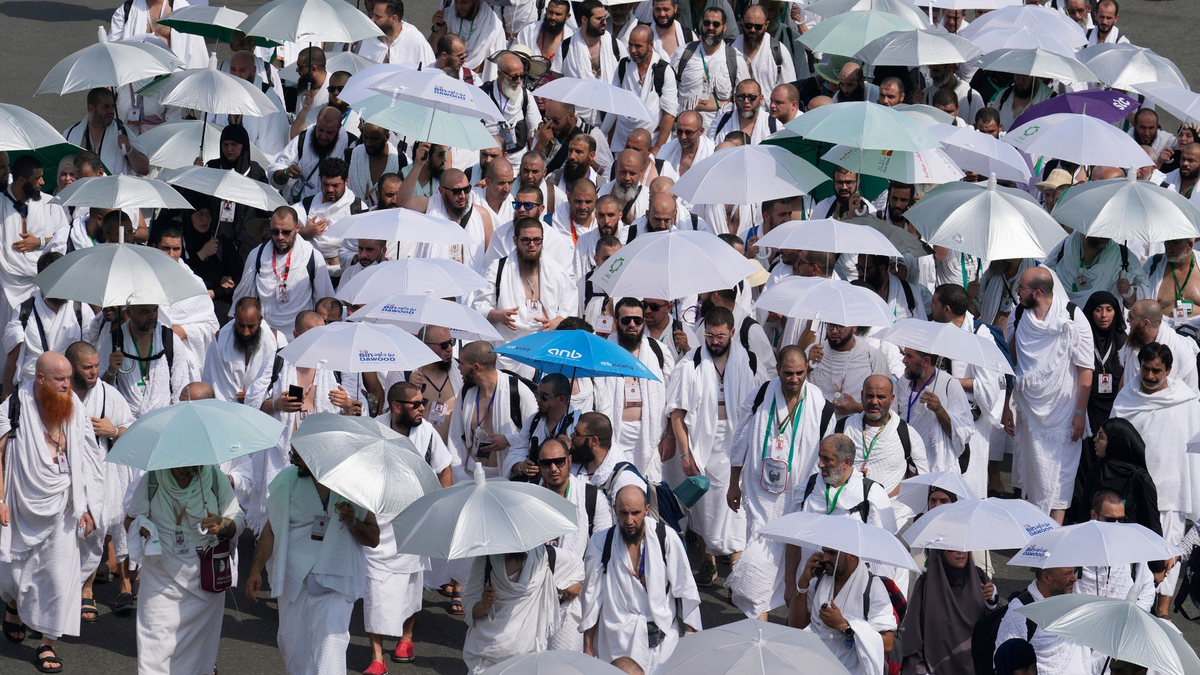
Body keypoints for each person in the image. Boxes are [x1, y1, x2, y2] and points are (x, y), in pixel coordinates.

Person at [0, 353, 103, 673]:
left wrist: (88, 505)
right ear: (40, 378)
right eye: (60, 379)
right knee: (12, 576)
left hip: (64, 504)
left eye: (69, 378)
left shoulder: (75, 405)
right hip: (19, 501)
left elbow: (89, 459)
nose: (66, 384)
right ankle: (14, 604)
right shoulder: (14, 405)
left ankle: (47, 642)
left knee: (60, 576)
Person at [244, 449, 381, 675]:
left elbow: (373, 538)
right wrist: (255, 571)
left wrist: (353, 522)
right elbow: (271, 530)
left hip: (336, 582)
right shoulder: (288, 480)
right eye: (293, 454)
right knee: (294, 650)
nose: (293, 460)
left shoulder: (354, 485)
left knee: (329, 651)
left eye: (299, 456)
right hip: (294, 580)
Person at [726, 346, 827, 619]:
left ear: (807, 370)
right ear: (778, 371)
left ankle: (795, 629)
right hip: (761, 498)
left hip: (799, 499)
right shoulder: (760, 396)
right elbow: (740, 442)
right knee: (759, 566)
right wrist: (733, 483)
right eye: (788, 373)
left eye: (800, 373)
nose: (794, 379)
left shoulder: (818, 402)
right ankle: (759, 628)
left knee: (797, 576)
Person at [666, 308, 765, 586]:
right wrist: (685, 452)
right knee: (704, 506)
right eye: (709, 335)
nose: (715, 341)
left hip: (738, 442)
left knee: (737, 509)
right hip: (701, 443)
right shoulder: (691, 363)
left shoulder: (750, 363)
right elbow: (676, 413)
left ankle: (736, 569)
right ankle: (708, 562)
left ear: (732, 333)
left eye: (721, 336)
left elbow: (761, 405)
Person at [361, 383, 453, 674]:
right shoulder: (373, 429)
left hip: (415, 519)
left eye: (422, 402)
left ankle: (407, 637)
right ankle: (377, 655)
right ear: (396, 406)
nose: (422, 407)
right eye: (415, 404)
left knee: (411, 584)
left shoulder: (427, 432)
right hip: (379, 518)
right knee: (374, 585)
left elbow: (444, 467)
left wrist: (442, 505)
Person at [1108, 342, 1200, 618]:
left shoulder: (1186, 401)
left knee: (1168, 551)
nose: (1149, 376)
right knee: (1132, 556)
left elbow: (1194, 451)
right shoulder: (1126, 397)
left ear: (1169, 370)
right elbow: (1112, 440)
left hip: (1171, 490)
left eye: (1156, 371)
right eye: (1145, 369)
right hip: (1133, 490)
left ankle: (1163, 613)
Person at [244, 311, 357, 532]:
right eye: (312, 335)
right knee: (275, 524)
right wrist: (277, 405)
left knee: (312, 522)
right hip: (281, 456)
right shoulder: (277, 361)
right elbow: (251, 405)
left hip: (317, 457)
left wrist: (346, 403)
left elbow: (350, 414)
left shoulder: (331, 366)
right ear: (296, 335)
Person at [126, 459, 241, 675]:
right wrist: (145, 529)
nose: (191, 471)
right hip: (161, 575)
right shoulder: (152, 478)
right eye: (184, 467)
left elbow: (237, 519)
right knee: (156, 644)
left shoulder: (214, 476)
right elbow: (131, 520)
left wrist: (224, 524)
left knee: (198, 654)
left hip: (205, 576)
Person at [581, 480, 701, 673]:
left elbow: (685, 590)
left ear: (647, 509)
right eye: (623, 513)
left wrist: (691, 638)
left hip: (662, 643)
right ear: (614, 510)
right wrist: (588, 645)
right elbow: (592, 598)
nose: (629, 521)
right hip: (616, 644)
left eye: (635, 513)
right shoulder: (601, 542)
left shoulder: (666, 537)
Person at [1004, 267, 1094, 523]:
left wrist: (1080, 413)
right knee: (1032, 472)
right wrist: (1006, 406)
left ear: (1038, 292)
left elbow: (1086, 369)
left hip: (1063, 412)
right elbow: (1011, 363)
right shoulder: (1019, 314)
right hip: (1028, 410)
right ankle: (1032, 532)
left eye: (1021, 288)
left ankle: (1052, 539)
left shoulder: (1073, 317)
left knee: (1061, 475)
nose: (1017, 292)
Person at [782, 434, 896, 612]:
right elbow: (793, 540)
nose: (820, 464)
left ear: (846, 462)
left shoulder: (871, 494)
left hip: (851, 597)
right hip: (808, 587)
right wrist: (790, 584)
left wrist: (875, 600)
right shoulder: (809, 487)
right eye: (820, 457)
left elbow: (883, 554)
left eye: (828, 459)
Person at [66, 341, 134, 623]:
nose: (94, 372)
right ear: (71, 369)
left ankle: (88, 589)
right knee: (71, 533)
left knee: (100, 529)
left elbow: (133, 430)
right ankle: (68, 588)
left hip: (103, 474)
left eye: (96, 366)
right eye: (87, 367)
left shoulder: (109, 395)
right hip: (67, 474)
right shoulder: (60, 394)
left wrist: (114, 430)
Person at [462, 539, 581, 673]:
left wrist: (577, 584)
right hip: (487, 653)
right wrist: (484, 604)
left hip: (527, 654)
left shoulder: (545, 556)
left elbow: (580, 569)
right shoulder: (485, 559)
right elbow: (470, 607)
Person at [593, 299, 674, 481]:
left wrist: (669, 435)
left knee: (646, 495)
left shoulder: (659, 352)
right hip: (614, 436)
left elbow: (672, 399)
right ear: (615, 321)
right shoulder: (603, 352)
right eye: (626, 320)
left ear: (643, 321)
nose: (632, 325)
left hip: (651, 438)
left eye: (637, 321)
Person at [789, 544, 897, 675]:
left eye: (832, 553)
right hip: (811, 663)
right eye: (824, 552)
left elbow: (887, 644)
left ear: (851, 555)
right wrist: (803, 582)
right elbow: (796, 626)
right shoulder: (818, 579)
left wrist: (843, 626)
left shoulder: (873, 587)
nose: (825, 558)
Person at [228, 206, 336, 334]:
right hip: (265, 335)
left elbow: (325, 302)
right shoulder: (257, 255)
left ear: (297, 228)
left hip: (300, 335)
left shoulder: (312, 256)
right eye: (275, 232)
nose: (280, 237)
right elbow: (243, 298)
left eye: (286, 232)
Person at [475, 218, 578, 343]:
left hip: (546, 344)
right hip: (509, 345)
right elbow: (479, 306)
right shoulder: (497, 268)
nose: (532, 245)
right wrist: (498, 315)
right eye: (525, 240)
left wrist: (553, 323)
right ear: (515, 240)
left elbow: (570, 307)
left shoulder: (557, 271)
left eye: (537, 240)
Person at [3, 252, 93, 394]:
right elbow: (12, 361)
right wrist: (6, 401)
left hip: (69, 392)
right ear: (42, 280)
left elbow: (91, 354)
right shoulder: (24, 311)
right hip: (31, 393)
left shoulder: (81, 310)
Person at [448, 341, 538, 479]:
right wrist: (459, 474)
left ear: (476, 367)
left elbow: (535, 434)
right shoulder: (466, 391)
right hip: (470, 474)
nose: (458, 367)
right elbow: (455, 436)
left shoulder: (518, 391)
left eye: (461, 363)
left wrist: (508, 440)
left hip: (505, 476)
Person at [899, 549, 997, 674]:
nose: (960, 552)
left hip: (976, 668)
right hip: (935, 669)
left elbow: (994, 626)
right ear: (941, 553)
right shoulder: (926, 585)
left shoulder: (981, 579)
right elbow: (913, 636)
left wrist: (992, 601)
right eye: (952, 549)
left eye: (964, 548)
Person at [835, 375, 929, 496]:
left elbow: (922, 480)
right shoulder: (844, 428)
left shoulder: (907, 433)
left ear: (891, 399)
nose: (874, 402)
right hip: (846, 507)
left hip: (894, 511)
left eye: (881, 397)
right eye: (870, 396)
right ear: (862, 395)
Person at [98, 304, 189, 418]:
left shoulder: (170, 339)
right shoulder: (113, 342)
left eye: (155, 310)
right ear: (129, 313)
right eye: (145, 312)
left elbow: (180, 385)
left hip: (165, 418)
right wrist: (111, 371)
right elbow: (101, 390)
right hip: (125, 422)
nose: (152, 316)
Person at [1073, 490, 1156, 615]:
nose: (1117, 525)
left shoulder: (1133, 548)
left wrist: (1135, 615)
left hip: (1122, 623)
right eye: (1110, 520)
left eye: (1121, 520)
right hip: (1082, 621)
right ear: (1094, 515)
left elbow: (1147, 588)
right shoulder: (1075, 546)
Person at [893, 348, 973, 475]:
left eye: (909, 356)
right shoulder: (904, 381)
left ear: (925, 361)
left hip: (934, 465)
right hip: (903, 461)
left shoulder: (949, 385)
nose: (904, 360)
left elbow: (963, 432)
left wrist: (939, 410)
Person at [994, 567, 1089, 673]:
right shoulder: (1022, 610)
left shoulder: (1076, 601)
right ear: (1046, 577)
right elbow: (1010, 664)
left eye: (1074, 571)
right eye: (1067, 574)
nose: (1074, 578)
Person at [672, 7, 750, 128]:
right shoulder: (682, 54)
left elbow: (745, 98)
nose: (710, 28)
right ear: (701, 25)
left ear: (724, 28)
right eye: (706, 23)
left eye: (716, 24)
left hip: (721, 131)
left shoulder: (736, 60)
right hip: (685, 132)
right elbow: (669, 94)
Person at [1083, 418, 1160, 535]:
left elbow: (1153, 527)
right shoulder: (1095, 471)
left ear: (1116, 441)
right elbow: (1084, 516)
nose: (1095, 440)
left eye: (1100, 436)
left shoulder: (1140, 479)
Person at [202, 297, 286, 404]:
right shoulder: (220, 340)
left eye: (251, 326)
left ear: (260, 320)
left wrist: (254, 396)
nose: (245, 332)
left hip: (264, 408)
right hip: (227, 407)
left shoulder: (277, 340)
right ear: (235, 318)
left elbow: (283, 380)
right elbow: (213, 379)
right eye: (241, 325)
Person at [611, 26, 678, 154]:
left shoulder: (663, 70)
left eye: (638, 46)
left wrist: (658, 148)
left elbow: (669, 114)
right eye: (630, 45)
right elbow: (614, 104)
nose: (632, 50)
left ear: (651, 45)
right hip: (623, 140)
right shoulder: (623, 66)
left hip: (652, 141)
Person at [269, 107, 353, 204]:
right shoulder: (303, 139)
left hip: (335, 209)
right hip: (300, 207)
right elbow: (275, 172)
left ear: (338, 129)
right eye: (320, 130)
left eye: (329, 133)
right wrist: (286, 172)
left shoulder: (349, 145)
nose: (323, 136)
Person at [806, 324, 888, 419]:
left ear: (854, 327)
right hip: (817, 424)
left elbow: (886, 404)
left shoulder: (873, 355)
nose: (834, 331)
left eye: (841, 326)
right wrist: (807, 367)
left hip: (855, 429)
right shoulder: (814, 352)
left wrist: (858, 407)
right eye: (831, 325)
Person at [62, 88, 150, 177]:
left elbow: (144, 169)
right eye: (106, 106)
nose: (111, 111)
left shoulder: (123, 132)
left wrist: (129, 149)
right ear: (91, 108)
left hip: (113, 189)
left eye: (112, 106)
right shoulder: (71, 134)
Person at [1119, 300, 1198, 393]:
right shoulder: (1133, 342)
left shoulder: (1182, 351)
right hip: (1131, 405)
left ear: (1146, 323)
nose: (1128, 320)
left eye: (1131, 317)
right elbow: (1125, 380)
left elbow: (1191, 396)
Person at [408, 325, 462, 446]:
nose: (449, 348)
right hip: (418, 448)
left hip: (454, 452)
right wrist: (408, 389)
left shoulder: (460, 370)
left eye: (451, 342)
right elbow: (392, 413)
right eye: (443, 345)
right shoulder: (404, 372)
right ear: (424, 346)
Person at [428, 0, 507, 82]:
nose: (459, 7)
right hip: (445, 77)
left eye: (464, 2)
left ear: (476, 1)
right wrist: (437, 27)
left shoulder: (492, 25)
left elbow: (497, 64)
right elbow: (430, 51)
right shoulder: (447, 16)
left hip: (478, 81)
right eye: (456, 2)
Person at [1083, 291, 1126, 432]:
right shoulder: (1082, 339)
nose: (1103, 315)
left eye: (1109, 309)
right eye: (1098, 310)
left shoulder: (1123, 340)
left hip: (1117, 405)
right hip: (1088, 405)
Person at [356, 0, 435, 66]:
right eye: (373, 15)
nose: (373, 19)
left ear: (393, 19)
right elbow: (361, 72)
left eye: (378, 17)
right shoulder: (370, 38)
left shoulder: (415, 40)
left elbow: (428, 72)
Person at [706, 79, 776, 145]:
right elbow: (709, 151)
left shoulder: (774, 125)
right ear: (735, 97)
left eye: (751, 97)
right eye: (741, 97)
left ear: (761, 99)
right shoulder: (720, 122)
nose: (746, 101)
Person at [569, 412, 629, 487]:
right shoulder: (575, 462)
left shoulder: (624, 481)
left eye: (577, 434)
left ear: (594, 441)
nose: (571, 436)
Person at [657, 111, 713, 177]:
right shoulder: (666, 150)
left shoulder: (712, 154)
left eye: (688, 132)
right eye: (679, 131)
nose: (683, 137)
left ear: (701, 131)